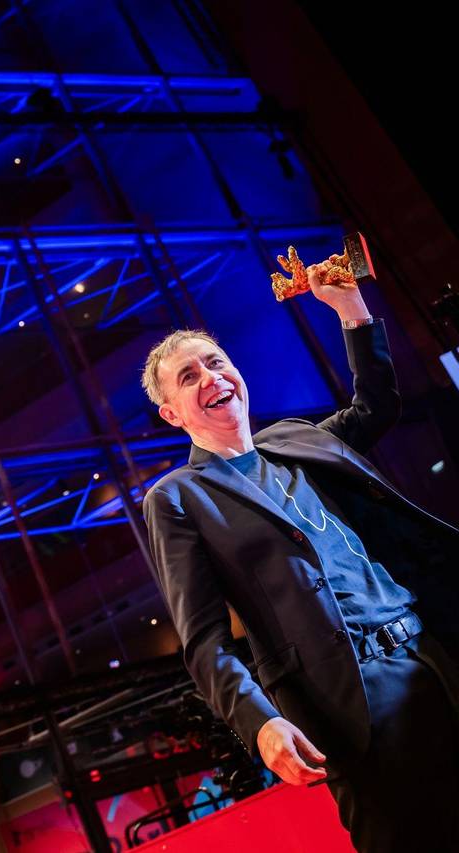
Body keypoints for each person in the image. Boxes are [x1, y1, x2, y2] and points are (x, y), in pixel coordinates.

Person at [140, 261, 459, 852]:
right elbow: (205, 641)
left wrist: (351, 311)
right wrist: (258, 722)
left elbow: (376, 406)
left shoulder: (295, 438)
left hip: (430, 650)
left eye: (216, 362)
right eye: (188, 376)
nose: (211, 377)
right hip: (354, 699)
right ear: (172, 414)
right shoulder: (177, 498)